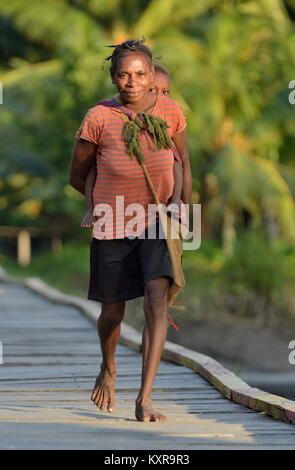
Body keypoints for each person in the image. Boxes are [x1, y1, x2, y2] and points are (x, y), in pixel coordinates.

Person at [69, 39, 192, 422]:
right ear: (113, 77)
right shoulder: (98, 118)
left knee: (156, 299)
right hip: (112, 222)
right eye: (123, 74)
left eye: (140, 74)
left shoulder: (171, 112)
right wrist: (94, 204)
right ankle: (108, 365)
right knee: (112, 313)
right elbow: (78, 173)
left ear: (151, 75)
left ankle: (145, 397)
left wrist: (181, 207)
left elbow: (184, 163)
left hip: (156, 220)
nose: (132, 82)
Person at [80, 63, 183, 229]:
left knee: (176, 162)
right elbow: (84, 171)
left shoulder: (169, 113)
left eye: (166, 92)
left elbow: (182, 163)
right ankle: (90, 209)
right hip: (117, 213)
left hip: (157, 215)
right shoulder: (107, 113)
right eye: (153, 90)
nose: (160, 96)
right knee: (96, 167)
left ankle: (176, 202)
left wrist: (178, 203)